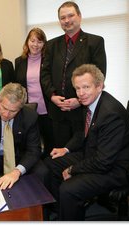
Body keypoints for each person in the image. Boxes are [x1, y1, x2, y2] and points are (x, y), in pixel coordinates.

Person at [44, 64, 129, 220]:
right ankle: (64, 211)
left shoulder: (110, 114)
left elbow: (103, 162)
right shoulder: (90, 102)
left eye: (86, 87)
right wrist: (66, 150)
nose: (80, 93)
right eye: (77, 88)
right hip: (96, 153)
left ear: (99, 86)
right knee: (51, 165)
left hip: (117, 167)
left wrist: (72, 169)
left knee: (68, 188)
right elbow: (83, 133)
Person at [40, 1, 107, 149]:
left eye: (70, 15)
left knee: (83, 152)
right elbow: (44, 74)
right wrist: (52, 96)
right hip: (58, 111)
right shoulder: (51, 45)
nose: (67, 20)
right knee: (59, 152)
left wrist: (79, 99)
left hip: (83, 110)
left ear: (80, 16)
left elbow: (100, 76)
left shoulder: (95, 42)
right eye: (62, 17)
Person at [14, 27, 54, 159]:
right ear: (27, 42)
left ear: (44, 44)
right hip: (28, 109)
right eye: (32, 40)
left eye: (40, 42)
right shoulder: (19, 61)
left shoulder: (49, 60)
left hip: (47, 108)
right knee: (30, 143)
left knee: (50, 142)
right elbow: (18, 85)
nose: (35, 45)